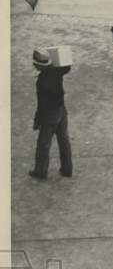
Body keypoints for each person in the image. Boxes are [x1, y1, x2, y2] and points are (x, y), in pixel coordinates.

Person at [29, 49, 73, 180]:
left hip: (50, 116)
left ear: (39, 65)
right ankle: (67, 169)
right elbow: (67, 67)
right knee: (64, 140)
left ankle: (40, 172)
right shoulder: (56, 70)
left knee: (43, 144)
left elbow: (41, 105)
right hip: (61, 110)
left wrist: (37, 121)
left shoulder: (42, 82)